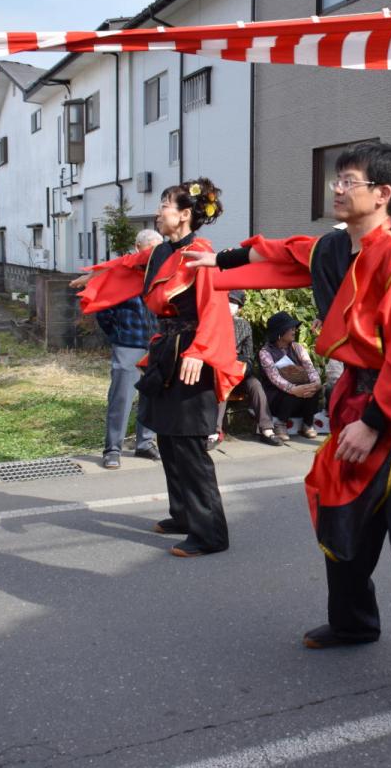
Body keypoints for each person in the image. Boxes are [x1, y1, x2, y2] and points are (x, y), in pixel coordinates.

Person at [187, 142, 391, 725]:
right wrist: (219, 261)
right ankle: (354, 622)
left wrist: (373, 424)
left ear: (382, 194)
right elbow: (283, 253)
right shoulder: (333, 247)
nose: (337, 188)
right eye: (337, 179)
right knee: (339, 512)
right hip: (357, 398)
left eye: (349, 180)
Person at [74, 178, 244, 558]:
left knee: (188, 443)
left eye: (165, 204)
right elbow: (128, 265)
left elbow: (215, 308)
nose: (158, 211)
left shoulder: (201, 253)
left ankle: (210, 533)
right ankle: (183, 514)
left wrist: (201, 351)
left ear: (184, 215)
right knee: (167, 437)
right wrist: (96, 275)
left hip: (193, 354)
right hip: (166, 350)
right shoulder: (161, 252)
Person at [93, 228, 162, 469]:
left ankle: (145, 443)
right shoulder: (121, 273)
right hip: (128, 344)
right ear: (137, 248)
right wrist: (117, 334)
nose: (153, 255)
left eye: (158, 250)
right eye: (149, 249)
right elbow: (103, 310)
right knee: (121, 398)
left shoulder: (160, 274)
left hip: (155, 344)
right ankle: (113, 449)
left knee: (152, 396)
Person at [211, 289, 281, 449]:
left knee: (255, 385)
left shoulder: (244, 325)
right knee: (221, 381)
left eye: (234, 303)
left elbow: (248, 356)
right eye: (228, 301)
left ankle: (266, 429)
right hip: (218, 372)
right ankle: (214, 432)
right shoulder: (213, 322)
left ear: (240, 308)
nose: (230, 305)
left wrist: (237, 366)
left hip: (238, 370)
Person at [258, 310, 322, 440]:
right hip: (277, 396)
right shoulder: (265, 352)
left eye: (294, 328)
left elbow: (310, 369)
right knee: (290, 393)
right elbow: (275, 378)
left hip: (300, 394)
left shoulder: (298, 348)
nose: (294, 331)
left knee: (313, 389)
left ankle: (308, 424)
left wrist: (316, 383)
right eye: (290, 328)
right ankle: (280, 423)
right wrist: (294, 389)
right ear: (279, 332)